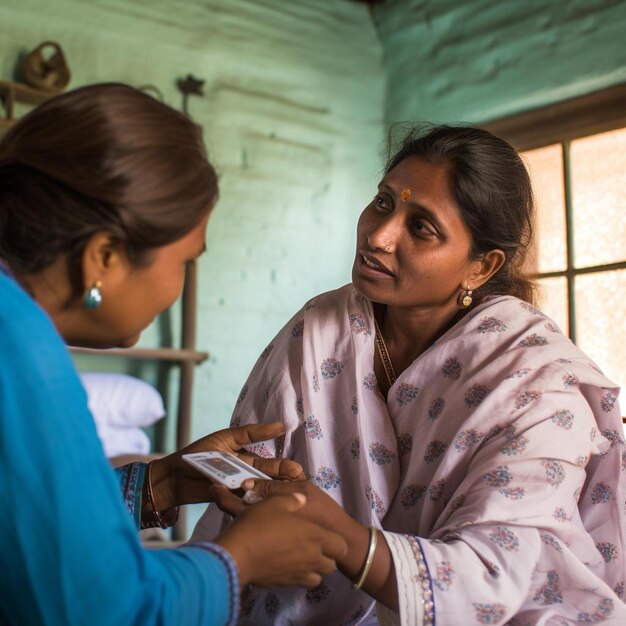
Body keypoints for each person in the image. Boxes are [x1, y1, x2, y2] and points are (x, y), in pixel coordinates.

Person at [192, 125, 626, 625]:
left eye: (421, 227)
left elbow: (493, 578)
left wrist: (337, 535)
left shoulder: (537, 385)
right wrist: (240, 489)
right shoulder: (320, 328)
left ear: (482, 267)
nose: (378, 236)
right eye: (382, 202)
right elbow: (252, 479)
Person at [0, 83, 347, 626]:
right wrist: (243, 557)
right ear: (104, 257)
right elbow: (96, 611)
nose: (180, 282)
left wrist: (159, 482)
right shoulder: (22, 360)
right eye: (186, 259)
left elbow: (24, 526)